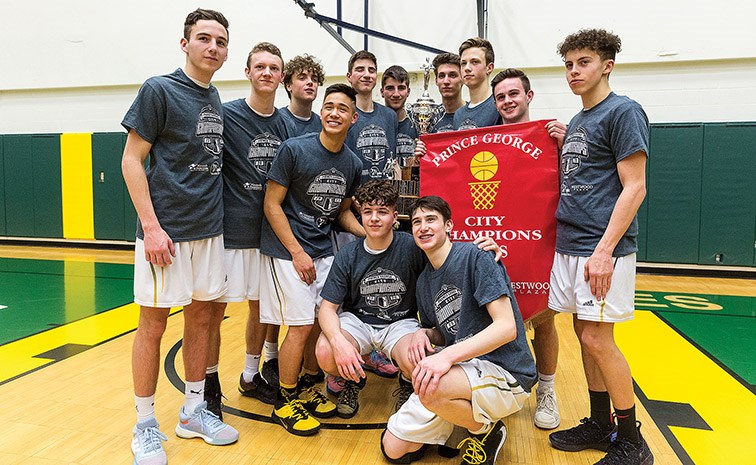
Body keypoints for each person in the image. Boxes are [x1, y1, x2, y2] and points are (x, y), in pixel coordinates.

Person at [121, 8, 238, 465]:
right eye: (204, 38)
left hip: (210, 232)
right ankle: (145, 424)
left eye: (221, 41)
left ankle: (192, 410)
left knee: (203, 320)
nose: (213, 47)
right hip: (165, 234)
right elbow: (132, 160)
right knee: (152, 325)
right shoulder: (159, 89)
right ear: (184, 43)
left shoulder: (215, 100)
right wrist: (150, 227)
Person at [547, 29, 652, 465]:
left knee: (597, 336)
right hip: (572, 243)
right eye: (569, 63)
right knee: (582, 333)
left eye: (584, 62)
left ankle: (632, 441)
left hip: (600, 248)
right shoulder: (580, 121)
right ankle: (599, 423)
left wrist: (605, 251)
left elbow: (635, 187)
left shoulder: (623, 111)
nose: (574, 71)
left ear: (606, 65)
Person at [315, 181, 502, 419]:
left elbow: (448, 252)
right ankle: (352, 379)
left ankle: (405, 380)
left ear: (394, 216)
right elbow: (327, 309)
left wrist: (482, 247)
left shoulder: (413, 245)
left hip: (400, 323)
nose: (374, 219)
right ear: (359, 215)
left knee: (419, 362)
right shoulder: (348, 254)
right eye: (368, 212)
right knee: (325, 351)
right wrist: (339, 344)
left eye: (382, 212)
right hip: (358, 321)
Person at [381, 196, 537, 465]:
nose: (423, 227)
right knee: (393, 449)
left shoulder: (477, 256)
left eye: (431, 220)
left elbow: (507, 327)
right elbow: (443, 333)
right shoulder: (424, 283)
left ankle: (485, 431)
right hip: (463, 370)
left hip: (505, 370)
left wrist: (446, 356)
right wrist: (425, 334)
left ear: (449, 225)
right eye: (417, 222)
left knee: (431, 385)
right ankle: (452, 417)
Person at [259, 83, 366, 436]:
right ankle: (284, 399)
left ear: (353, 117)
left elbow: (342, 214)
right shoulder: (294, 149)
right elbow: (271, 204)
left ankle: (305, 384)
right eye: (329, 106)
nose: (334, 113)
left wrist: (371, 234)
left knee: (322, 322)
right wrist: (296, 251)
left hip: (322, 250)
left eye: (342, 109)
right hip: (288, 251)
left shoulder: (352, 162)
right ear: (322, 112)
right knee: (302, 324)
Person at [206, 42, 295, 416]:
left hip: (268, 237)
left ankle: (249, 375)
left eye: (274, 68)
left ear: (281, 77)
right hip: (229, 233)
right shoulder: (226, 115)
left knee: (262, 310)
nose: (267, 73)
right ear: (248, 72)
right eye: (260, 66)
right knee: (213, 312)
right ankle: (208, 383)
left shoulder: (286, 124)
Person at [490, 67, 567, 430]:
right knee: (490, 317)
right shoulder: (483, 140)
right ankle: (496, 385)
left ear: (529, 96)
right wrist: (428, 155)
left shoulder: (551, 137)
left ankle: (547, 389)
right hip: (492, 239)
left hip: (536, 239)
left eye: (513, 94)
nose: (507, 101)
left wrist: (564, 148)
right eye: (501, 97)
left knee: (543, 318)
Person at [344, 50, 399, 183]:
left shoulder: (390, 116)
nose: (367, 75)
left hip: (384, 197)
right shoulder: (343, 115)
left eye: (371, 70)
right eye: (360, 69)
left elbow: (393, 162)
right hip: (353, 197)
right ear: (349, 77)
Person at [453, 37, 500, 130]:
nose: (467, 68)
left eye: (474, 62)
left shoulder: (499, 106)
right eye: (463, 63)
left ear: (489, 68)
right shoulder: (458, 115)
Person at [381, 65, 417, 174]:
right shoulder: (376, 123)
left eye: (401, 88)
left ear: (408, 91)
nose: (396, 94)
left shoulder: (418, 123)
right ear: (382, 92)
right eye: (390, 88)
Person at [280, 54, 325, 135]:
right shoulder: (278, 120)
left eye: (314, 79)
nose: (310, 82)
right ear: (289, 86)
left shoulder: (322, 125)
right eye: (302, 78)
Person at [430, 52, 465, 133]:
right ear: (436, 81)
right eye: (441, 76)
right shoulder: (429, 119)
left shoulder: (473, 114)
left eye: (452, 75)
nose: (446, 81)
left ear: (463, 79)